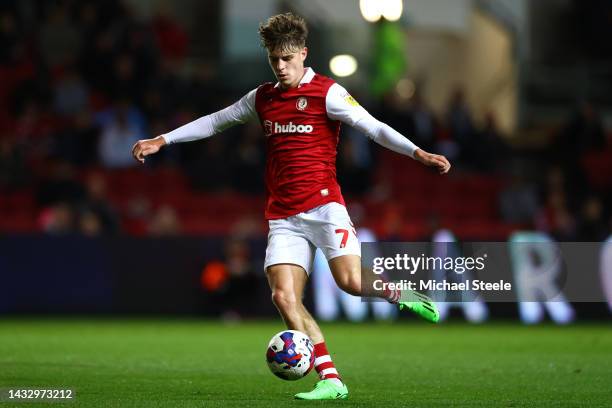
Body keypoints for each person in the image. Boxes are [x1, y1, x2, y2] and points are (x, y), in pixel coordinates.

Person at [132, 13, 451, 400]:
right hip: (283, 216)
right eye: (274, 60)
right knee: (284, 298)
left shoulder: (327, 93)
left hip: (324, 207)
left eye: (286, 58)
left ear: (303, 53)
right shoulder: (263, 98)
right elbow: (216, 121)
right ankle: (331, 379)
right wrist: (162, 140)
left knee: (350, 283)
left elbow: (373, 126)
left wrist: (417, 153)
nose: (280, 67)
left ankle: (402, 294)